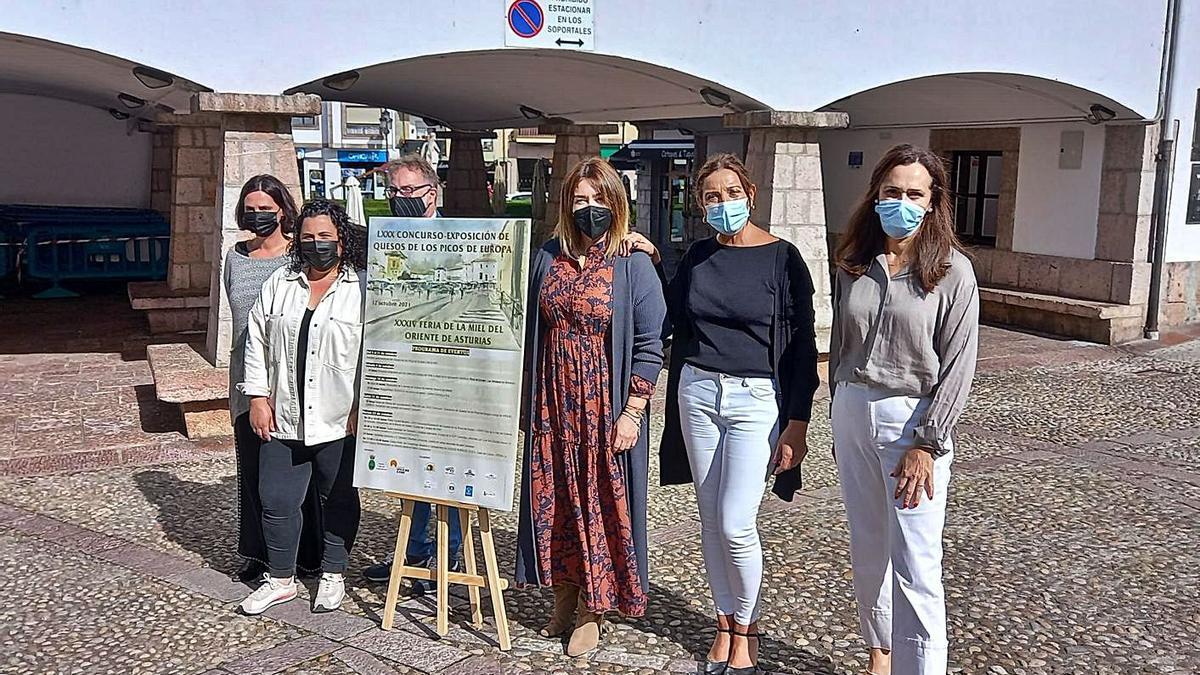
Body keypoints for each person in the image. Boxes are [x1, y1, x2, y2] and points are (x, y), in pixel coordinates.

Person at [624, 153, 820, 674]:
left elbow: (803, 343)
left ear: (750, 194)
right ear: (700, 204)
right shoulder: (698, 255)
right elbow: (669, 312)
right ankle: (724, 622)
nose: (723, 203)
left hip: (756, 398)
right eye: (712, 196)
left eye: (732, 193)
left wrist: (797, 421)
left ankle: (749, 627)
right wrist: (650, 258)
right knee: (709, 519)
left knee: (737, 523)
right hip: (697, 392)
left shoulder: (784, 258)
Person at [829, 144, 978, 675]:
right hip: (852, 410)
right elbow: (843, 345)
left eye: (915, 193)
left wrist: (927, 442)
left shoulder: (953, 272)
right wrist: (835, 413)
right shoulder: (854, 263)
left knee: (916, 561)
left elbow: (959, 363)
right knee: (868, 546)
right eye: (892, 192)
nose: (902, 202)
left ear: (933, 200)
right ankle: (881, 655)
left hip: (911, 422)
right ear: (875, 196)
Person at [515, 157, 666, 657]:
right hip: (552, 404)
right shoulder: (547, 256)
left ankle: (594, 607)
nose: (589, 208)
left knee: (601, 503)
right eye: (580, 200)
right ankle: (563, 594)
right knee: (553, 498)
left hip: (603, 408)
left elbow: (649, 343)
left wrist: (633, 412)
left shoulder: (632, 263)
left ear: (616, 203)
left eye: (599, 199)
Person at [238, 199, 366, 615]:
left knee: (339, 498)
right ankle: (280, 579)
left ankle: (333, 573)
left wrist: (361, 408)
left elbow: (374, 356)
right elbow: (255, 339)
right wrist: (256, 395)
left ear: (342, 241)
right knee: (275, 498)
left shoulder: (361, 289)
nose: (317, 244)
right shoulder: (280, 282)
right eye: (309, 237)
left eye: (326, 237)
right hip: (283, 414)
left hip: (339, 417)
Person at [362, 154, 464, 592]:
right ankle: (413, 551)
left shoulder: (463, 240)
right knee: (409, 469)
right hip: (403, 373)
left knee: (455, 468)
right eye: (394, 192)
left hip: (453, 374)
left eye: (409, 191)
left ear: (432, 192)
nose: (400, 199)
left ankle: (451, 552)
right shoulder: (382, 243)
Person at [224, 174, 327, 585]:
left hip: (289, 376)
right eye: (251, 208)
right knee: (251, 468)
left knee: (299, 469)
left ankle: (308, 553)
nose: (258, 215)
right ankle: (257, 552)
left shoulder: (297, 257)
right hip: (245, 378)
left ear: (283, 210)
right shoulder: (235, 256)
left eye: (266, 208)